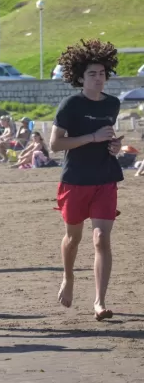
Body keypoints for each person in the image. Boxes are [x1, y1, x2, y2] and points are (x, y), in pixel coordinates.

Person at [50, 39, 124, 321]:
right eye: (92, 74)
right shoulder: (71, 104)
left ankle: (99, 302)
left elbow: (108, 139)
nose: (98, 78)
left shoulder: (113, 104)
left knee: (101, 238)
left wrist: (113, 146)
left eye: (102, 73)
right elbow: (56, 144)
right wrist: (92, 137)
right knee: (73, 238)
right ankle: (68, 277)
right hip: (75, 180)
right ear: (80, 77)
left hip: (105, 177)